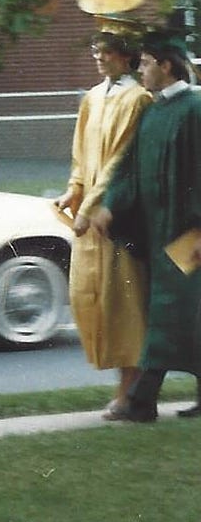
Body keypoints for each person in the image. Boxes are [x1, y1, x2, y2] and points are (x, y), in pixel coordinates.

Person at [92, 30, 201, 422]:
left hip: (190, 233)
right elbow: (129, 168)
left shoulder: (196, 108)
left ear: (166, 66)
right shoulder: (154, 111)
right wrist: (110, 205)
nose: (141, 70)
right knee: (184, 315)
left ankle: (141, 401)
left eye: (147, 63)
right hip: (159, 232)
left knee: (170, 313)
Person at [54, 21, 151, 415]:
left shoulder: (137, 99)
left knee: (125, 305)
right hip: (91, 216)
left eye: (106, 52)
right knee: (97, 303)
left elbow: (120, 162)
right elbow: (82, 156)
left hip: (118, 215)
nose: (99, 58)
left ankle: (130, 392)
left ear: (126, 56)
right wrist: (73, 191)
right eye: (95, 51)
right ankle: (127, 390)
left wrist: (92, 205)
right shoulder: (93, 98)